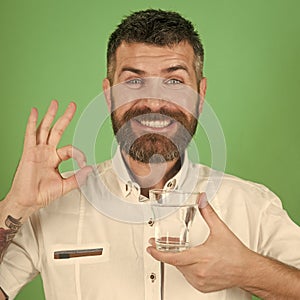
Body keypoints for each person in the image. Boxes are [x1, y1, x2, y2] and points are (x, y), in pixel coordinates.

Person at [0, 9, 300, 300]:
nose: (155, 101)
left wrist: (247, 271)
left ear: (201, 95)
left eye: (174, 81)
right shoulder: (46, 208)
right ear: (108, 96)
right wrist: (15, 204)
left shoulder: (252, 205)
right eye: (133, 81)